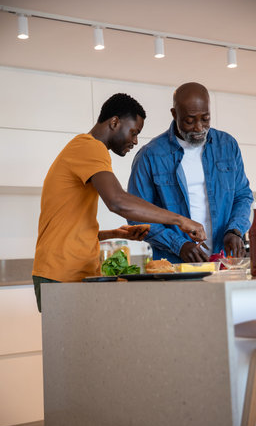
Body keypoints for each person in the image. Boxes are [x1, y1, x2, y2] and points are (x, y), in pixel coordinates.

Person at [32, 93, 206, 311]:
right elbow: (117, 201)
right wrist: (180, 220)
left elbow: (66, 227)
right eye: (134, 132)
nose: (135, 141)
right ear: (114, 122)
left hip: (69, 271)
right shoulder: (89, 147)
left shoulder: (83, 150)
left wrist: (115, 234)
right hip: (62, 273)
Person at [127, 82, 253, 264]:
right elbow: (136, 215)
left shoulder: (227, 145)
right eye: (189, 120)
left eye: (206, 118)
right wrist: (178, 245)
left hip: (224, 261)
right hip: (174, 264)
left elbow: (243, 196)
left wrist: (235, 230)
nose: (199, 127)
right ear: (174, 114)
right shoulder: (150, 155)